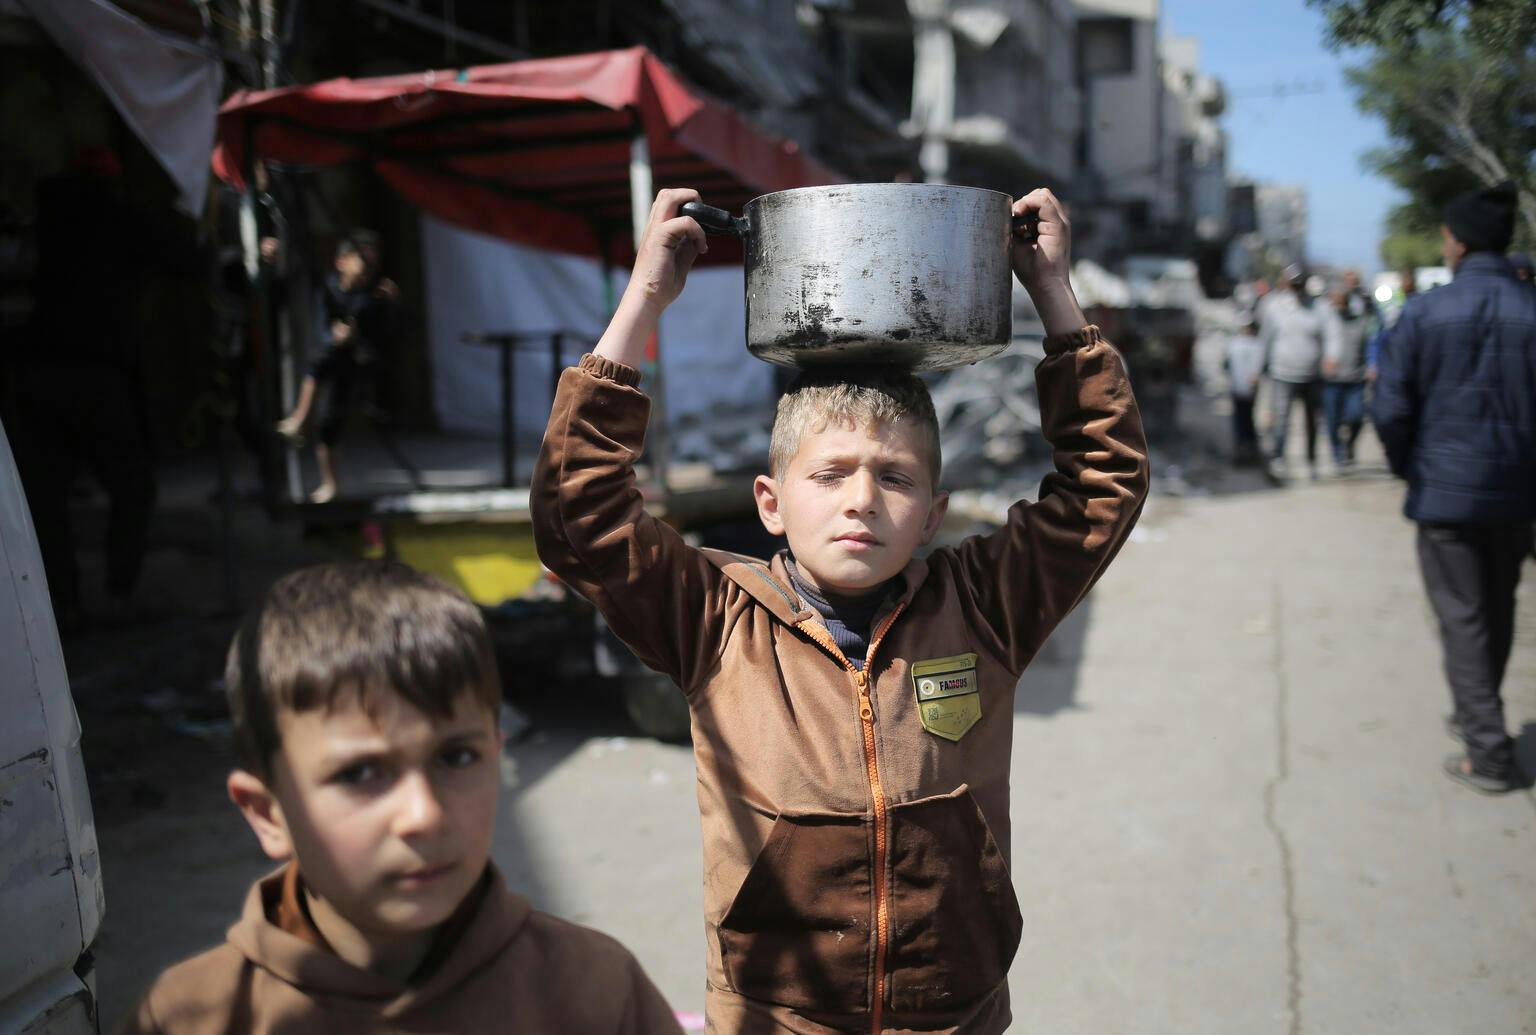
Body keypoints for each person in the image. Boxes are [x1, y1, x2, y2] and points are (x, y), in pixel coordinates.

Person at [530, 187, 1149, 1033]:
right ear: (770, 502)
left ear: (933, 513)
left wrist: (1051, 294)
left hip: (956, 1012)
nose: (861, 500)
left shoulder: (982, 606)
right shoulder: (715, 619)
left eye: (894, 478)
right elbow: (579, 515)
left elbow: (1100, 489)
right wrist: (644, 298)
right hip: (775, 1016)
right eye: (829, 475)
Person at [120, 561, 682, 1033]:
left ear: (497, 754)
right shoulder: (191, 1018)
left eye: (456, 757)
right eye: (362, 773)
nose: (424, 815)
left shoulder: (595, 994)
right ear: (268, 814)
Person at [1371, 180, 1536, 795]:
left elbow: (1388, 407)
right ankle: (1480, 715)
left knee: (1464, 618)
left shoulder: (1424, 312)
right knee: (1498, 607)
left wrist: (1410, 465)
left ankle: (1489, 751)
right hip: (1518, 495)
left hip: (1446, 495)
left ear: (1458, 242)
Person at [276, 231, 398, 504]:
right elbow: (321, 326)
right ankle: (300, 418)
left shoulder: (373, 296)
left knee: (329, 420)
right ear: (342, 261)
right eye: (361, 259)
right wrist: (334, 337)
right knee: (322, 359)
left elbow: (382, 334)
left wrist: (386, 305)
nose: (366, 266)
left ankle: (303, 424)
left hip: (355, 364)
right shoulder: (329, 289)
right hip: (330, 356)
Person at [1260, 263, 1336, 479]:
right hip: (1282, 373)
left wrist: (1331, 357)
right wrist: (1259, 367)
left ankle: (1311, 460)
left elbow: (1332, 334)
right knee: (1281, 418)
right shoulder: (1275, 307)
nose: (1297, 289)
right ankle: (1278, 458)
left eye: (1300, 285)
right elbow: (1265, 340)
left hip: (1311, 374)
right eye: (1294, 284)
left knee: (1312, 421)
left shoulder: (1319, 308)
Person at [1321, 271, 1376, 467]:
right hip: (1332, 379)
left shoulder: (1360, 318)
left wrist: (1372, 364)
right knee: (1332, 420)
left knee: (1356, 416)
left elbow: (1370, 342)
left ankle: (1349, 445)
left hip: (1355, 378)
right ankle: (1337, 454)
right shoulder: (1325, 320)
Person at [1225, 315, 1265, 465]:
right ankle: (1242, 450)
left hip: (1249, 391)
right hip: (1237, 389)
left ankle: (1250, 450)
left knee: (1247, 421)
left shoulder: (1255, 345)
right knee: (1240, 421)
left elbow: (1257, 369)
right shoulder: (1235, 344)